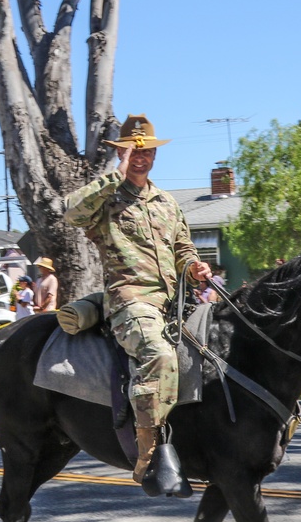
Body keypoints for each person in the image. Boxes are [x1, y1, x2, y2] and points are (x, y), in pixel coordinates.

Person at [64, 113, 211, 488]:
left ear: (155, 156)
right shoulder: (105, 198)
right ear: (121, 153)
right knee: (158, 355)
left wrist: (194, 266)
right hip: (131, 301)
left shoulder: (166, 202)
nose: (140, 158)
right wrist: (117, 172)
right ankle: (148, 457)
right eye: (132, 152)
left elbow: (183, 246)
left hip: (176, 300)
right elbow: (71, 212)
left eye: (146, 152)